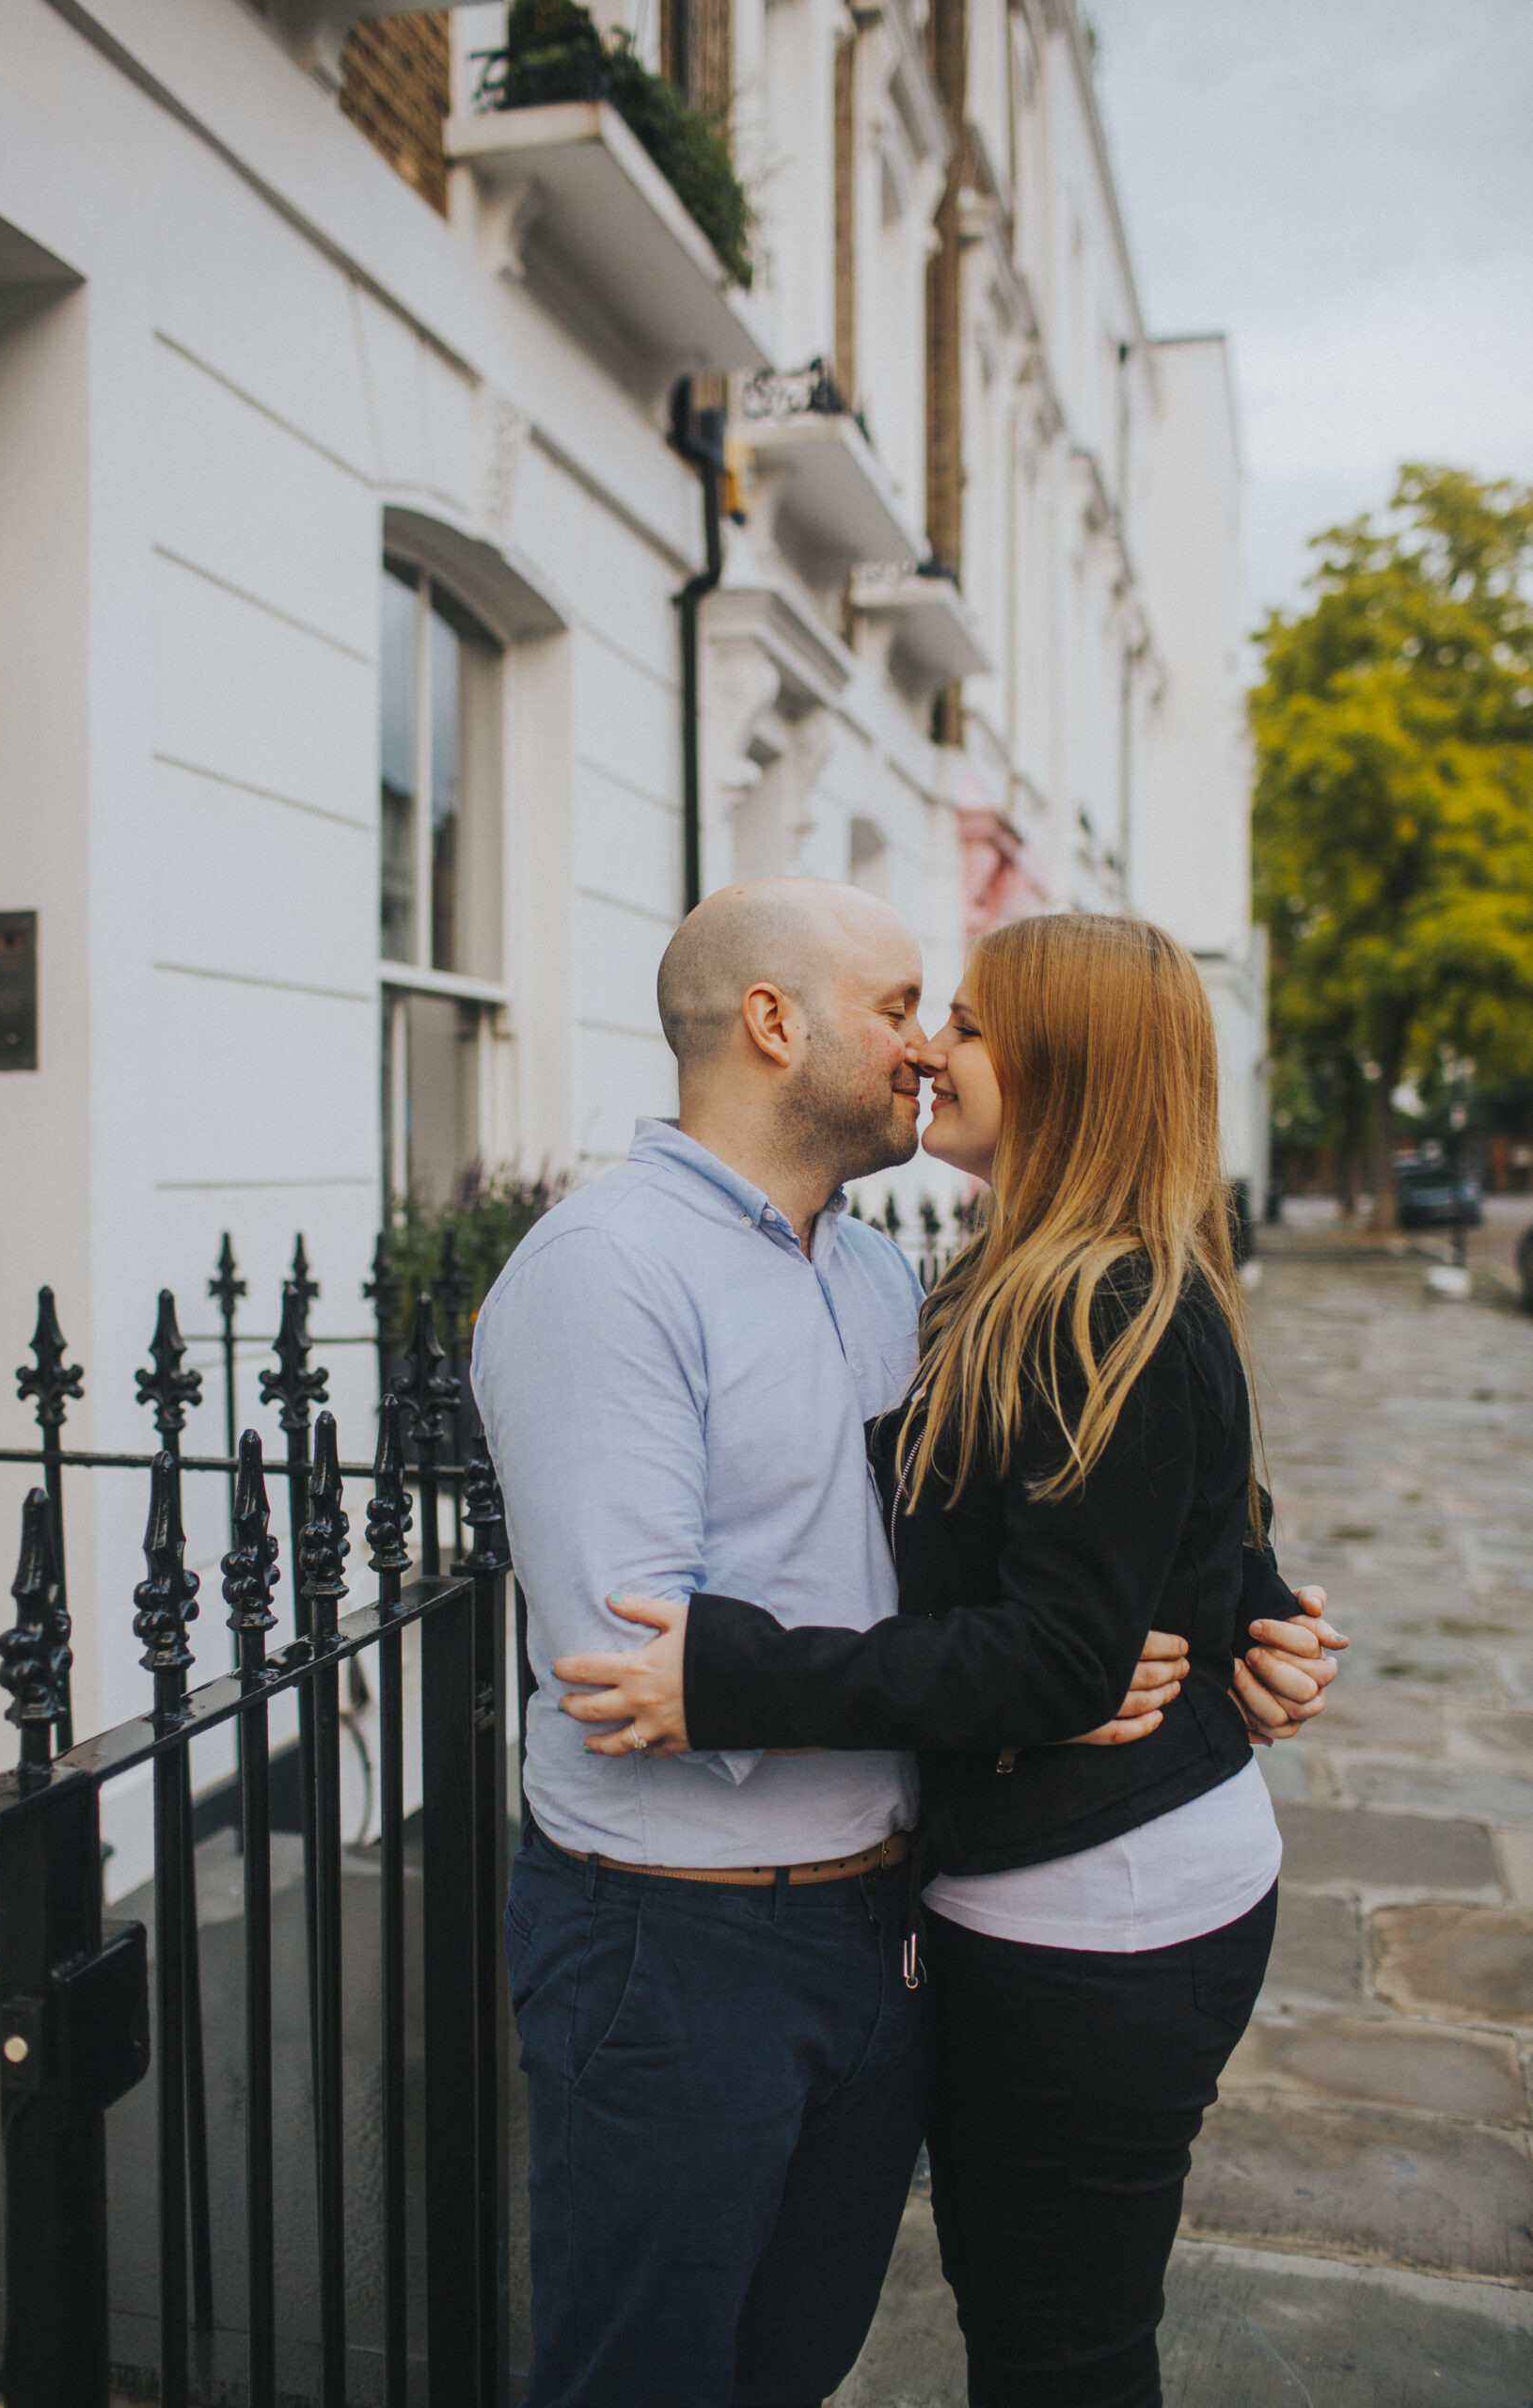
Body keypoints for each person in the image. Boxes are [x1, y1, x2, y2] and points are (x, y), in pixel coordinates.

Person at [474, 881, 1335, 2408]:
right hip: (679, 1946)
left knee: (802, 2359)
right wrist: (1043, 1680)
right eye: (901, 1009)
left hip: (889, 1929)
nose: (926, 1049)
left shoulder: (892, 1277)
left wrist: (1231, 1623)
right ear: (772, 1023)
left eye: (956, 1017)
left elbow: (1075, 1519)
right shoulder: (605, 1273)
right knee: (648, 2372)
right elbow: (638, 1675)